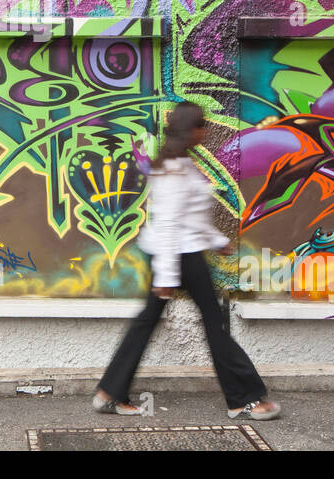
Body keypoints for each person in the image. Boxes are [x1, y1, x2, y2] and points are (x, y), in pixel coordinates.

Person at [92, 102, 281, 420]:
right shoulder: (175, 171)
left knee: (148, 322)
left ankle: (110, 392)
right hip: (178, 257)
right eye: (201, 125)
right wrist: (166, 276)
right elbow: (167, 224)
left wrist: (217, 241)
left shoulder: (180, 165)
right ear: (189, 130)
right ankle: (245, 398)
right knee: (214, 324)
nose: (205, 131)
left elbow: (190, 218)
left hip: (182, 252)